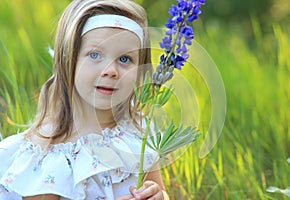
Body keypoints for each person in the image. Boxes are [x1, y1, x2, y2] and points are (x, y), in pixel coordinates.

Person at [0, 0, 170, 199]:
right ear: (68, 61)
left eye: (125, 59)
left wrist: (159, 196)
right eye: (95, 55)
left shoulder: (138, 131)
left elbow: (161, 191)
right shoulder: (48, 152)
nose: (111, 71)